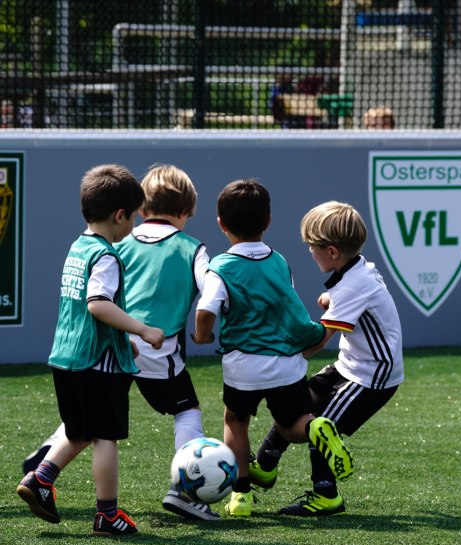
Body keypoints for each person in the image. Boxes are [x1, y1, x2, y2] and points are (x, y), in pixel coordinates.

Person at [22, 164, 220, 521]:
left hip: (101, 345)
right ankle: (182, 491)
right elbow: (210, 289)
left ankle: (47, 461)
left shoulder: (107, 242)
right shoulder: (190, 248)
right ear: (184, 212)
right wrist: (201, 325)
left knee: (85, 418)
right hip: (156, 347)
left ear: (143, 210)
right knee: (181, 410)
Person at [16, 164, 165, 536]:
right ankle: (107, 515)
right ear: (119, 215)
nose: (132, 222)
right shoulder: (106, 256)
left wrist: (120, 336)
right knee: (105, 437)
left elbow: (87, 312)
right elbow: (97, 303)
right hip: (96, 363)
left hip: (66, 355)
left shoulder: (78, 247)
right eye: (132, 216)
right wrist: (142, 329)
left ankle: (40, 480)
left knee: (79, 430)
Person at [191, 179, 355, 517]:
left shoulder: (219, 267)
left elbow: (206, 309)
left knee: (235, 423)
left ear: (221, 224)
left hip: (243, 366)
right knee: (291, 424)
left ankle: (241, 496)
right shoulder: (279, 261)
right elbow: (287, 307)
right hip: (286, 363)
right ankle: (314, 427)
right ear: (267, 221)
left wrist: (202, 336)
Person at [248, 200, 404, 516]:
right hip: (352, 364)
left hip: (372, 376)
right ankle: (265, 466)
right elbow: (349, 294)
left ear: (332, 252)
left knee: (323, 426)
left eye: (312, 246)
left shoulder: (352, 286)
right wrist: (329, 297)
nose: (309, 251)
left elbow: (319, 340)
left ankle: (327, 495)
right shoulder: (357, 269)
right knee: (298, 402)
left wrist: (282, 355)